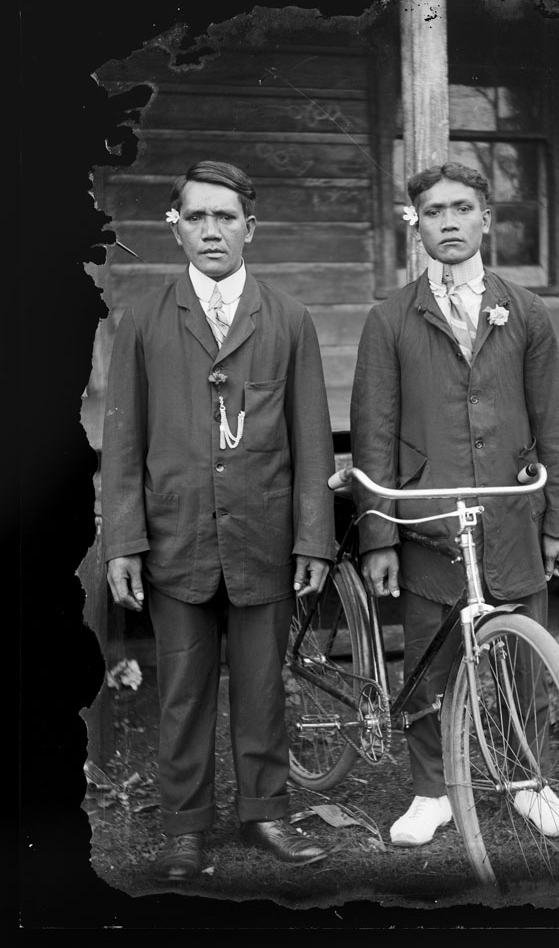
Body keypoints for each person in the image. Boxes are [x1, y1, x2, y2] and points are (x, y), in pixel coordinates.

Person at [101, 160, 336, 880]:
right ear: (176, 228)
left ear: (250, 229)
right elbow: (124, 439)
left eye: (225, 217)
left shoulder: (288, 319)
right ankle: (184, 825)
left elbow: (311, 437)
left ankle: (265, 813)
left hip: (263, 538)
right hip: (176, 539)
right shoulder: (143, 318)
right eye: (196, 217)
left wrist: (313, 537)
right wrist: (125, 540)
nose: (211, 230)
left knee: (264, 686)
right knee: (183, 688)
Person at [350, 162, 559, 847]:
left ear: (485, 219)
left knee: (522, 660)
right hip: (425, 521)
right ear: (412, 222)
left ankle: (527, 780)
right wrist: (378, 538)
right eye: (432, 211)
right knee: (430, 659)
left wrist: (558, 522)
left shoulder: (525, 310)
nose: (447, 221)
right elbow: (373, 431)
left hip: (510, 515)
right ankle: (429, 792)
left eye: (460, 209)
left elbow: (553, 423)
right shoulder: (389, 318)